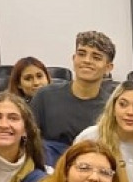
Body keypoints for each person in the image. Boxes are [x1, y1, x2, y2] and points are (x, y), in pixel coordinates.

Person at [31, 31, 118, 164]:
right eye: (81, 54)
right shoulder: (45, 96)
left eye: (96, 57)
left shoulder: (111, 108)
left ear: (108, 68)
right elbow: (29, 141)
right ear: (73, 58)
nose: (87, 61)